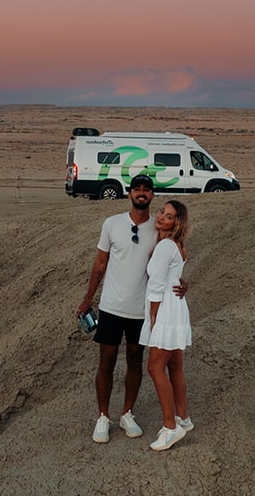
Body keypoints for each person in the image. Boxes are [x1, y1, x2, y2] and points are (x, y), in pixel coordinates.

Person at [77, 175, 186, 443]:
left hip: (140, 312)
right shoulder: (112, 224)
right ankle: (103, 416)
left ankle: (128, 413)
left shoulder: (158, 229)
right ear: (129, 193)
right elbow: (100, 265)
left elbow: (171, 265)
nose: (141, 193)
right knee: (106, 362)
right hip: (112, 307)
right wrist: (87, 298)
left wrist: (184, 285)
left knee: (135, 362)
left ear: (152, 196)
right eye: (137, 189)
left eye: (146, 190)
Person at [139, 200, 193, 451]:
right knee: (175, 364)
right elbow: (174, 277)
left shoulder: (165, 248)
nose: (161, 217)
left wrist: (152, 318)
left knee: (155, 367)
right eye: (162, 211)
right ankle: (183, 417)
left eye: (169, 216)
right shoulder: (178, 246)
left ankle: (170, 427)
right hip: (177, 307)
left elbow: (156, 285)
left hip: (165, 310)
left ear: (176, 223)